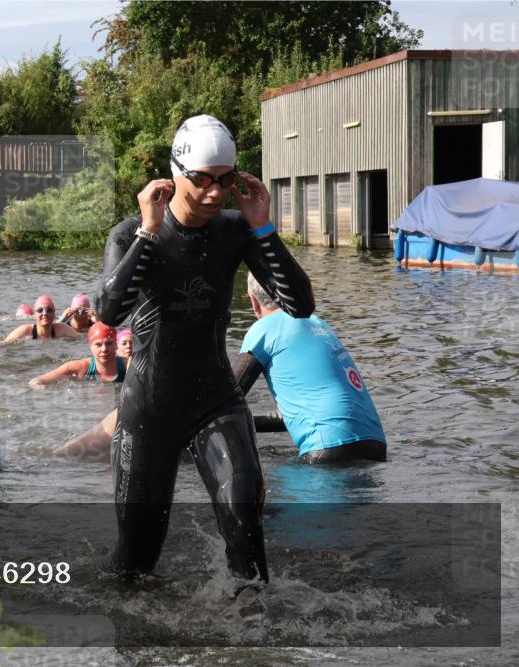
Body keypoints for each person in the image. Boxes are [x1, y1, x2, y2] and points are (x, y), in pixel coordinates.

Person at [95, 114, 314, 583]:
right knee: (135, 565)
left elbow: (299, 306)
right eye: (202, 181)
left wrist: (264, 228)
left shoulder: (236, 231)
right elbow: (110, 313)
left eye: (226, 180)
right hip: (148, 411)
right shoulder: (130, 233)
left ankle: (254, 637)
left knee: (246, 530)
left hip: (217, 401)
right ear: (174, 175)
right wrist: (149, 233)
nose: (215, 193)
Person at [235, 274, 387, 464]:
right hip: (375, 446)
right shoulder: (318, 323)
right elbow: (305, 414)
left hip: (327, 448)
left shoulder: (263, 329)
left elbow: (229, 397)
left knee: (262, 488)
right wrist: (249, 423)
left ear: (253, 300)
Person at [29, 322, 127, 389]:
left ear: (116, 344)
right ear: (90, 346)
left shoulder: (128, 365)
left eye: (109, 343)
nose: (104, 349)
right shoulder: (81, 367)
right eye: (98, 344)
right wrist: (40, 388)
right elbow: (37, 380)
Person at [3, 295, 81, 342]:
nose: (45, 313)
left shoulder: (63, 329)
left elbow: (82, 340)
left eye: (49, 310)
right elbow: (3, 344)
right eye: (40, 310)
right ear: (34, 314)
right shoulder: (24, 331)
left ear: (54, 314)